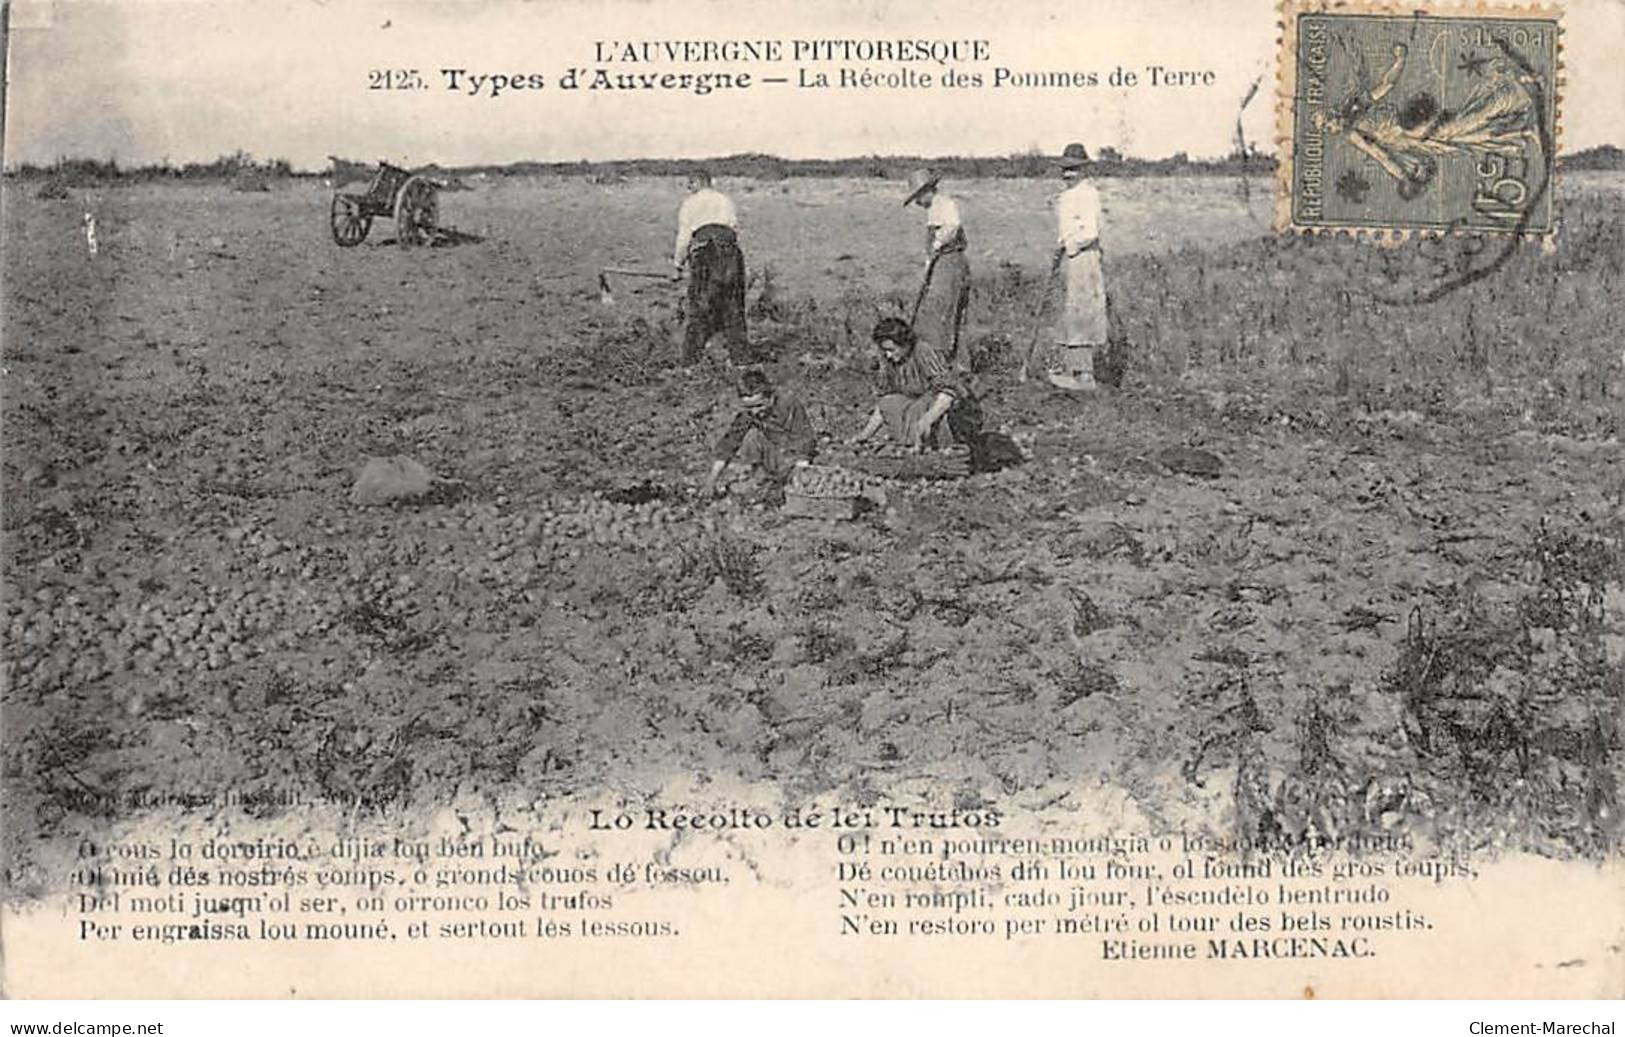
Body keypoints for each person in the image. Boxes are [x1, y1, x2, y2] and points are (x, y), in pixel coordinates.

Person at [851, 318, 980, 453]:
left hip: (946, 409)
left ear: (905, 344)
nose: (888, 355)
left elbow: (948, 394)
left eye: (891, 349)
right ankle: (910, 445)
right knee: (891, 402)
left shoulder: (923, 352)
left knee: (929, 404)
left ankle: (944, 447)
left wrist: (926, 420)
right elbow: (885, 404)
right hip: (918, 406)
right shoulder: (891, 362)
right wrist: (864, 435)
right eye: (885, 350)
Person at [673, 169, 749, 365]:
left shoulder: (691, 203)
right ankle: (740, 360)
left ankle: (690, 362)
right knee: (733, 307)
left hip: (706, 252)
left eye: (690, 183)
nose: (688, 188)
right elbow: (734, 228)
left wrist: (677, 265)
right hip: (731, 253)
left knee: (699, 306)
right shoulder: (725, 200)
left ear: (698, 182)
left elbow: (684, 237)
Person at [1048, 142, 1107, 392]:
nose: (1067, 175)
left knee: (1083, 312)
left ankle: (1085, 375)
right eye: (1064, 170)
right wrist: (1061, 245)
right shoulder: (1066, 196)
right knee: (1071, 311)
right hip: (1071, 257)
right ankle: (1072, 367)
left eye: (1072, 170)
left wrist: (1070, 245)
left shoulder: (1088, 194)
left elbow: (1091, 232)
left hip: (1084, 257)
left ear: (1083, 170)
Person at [704, 367, 815, 496]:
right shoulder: (748, 414)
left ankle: (779, 483)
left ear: (770, 397)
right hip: (773, 457)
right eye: (749, 407)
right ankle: (760, 479)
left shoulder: (789, 405)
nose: (755, 411)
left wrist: (799, 477)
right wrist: (711, 481)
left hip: (792, 459)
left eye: (759, 405)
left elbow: (804, 441)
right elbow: (728, 445)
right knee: (752, 436)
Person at [904, 169, 971, 367]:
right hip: (941, 263)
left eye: (917, 197)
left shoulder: (944, 203)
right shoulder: (934, 208)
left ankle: (951, 363)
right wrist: (928, 263)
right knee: (940, 313)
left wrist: (937, 245)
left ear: (927, 191)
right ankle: (947, 361)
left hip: (951, 262)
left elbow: (953, 226)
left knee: (947, 313)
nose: (917, 203)